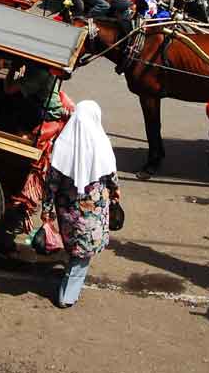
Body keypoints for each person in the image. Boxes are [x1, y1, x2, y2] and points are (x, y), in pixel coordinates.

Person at [42, 100, 120, 308]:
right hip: (94, 212)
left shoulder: (63, 145)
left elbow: (51, 183)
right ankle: (67, 295)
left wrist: (46, 210)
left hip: (67, 211)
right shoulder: (102, 143)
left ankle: (69, 286)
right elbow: (112, 177)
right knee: (82, 256)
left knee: (75, 249)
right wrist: (115, 193)